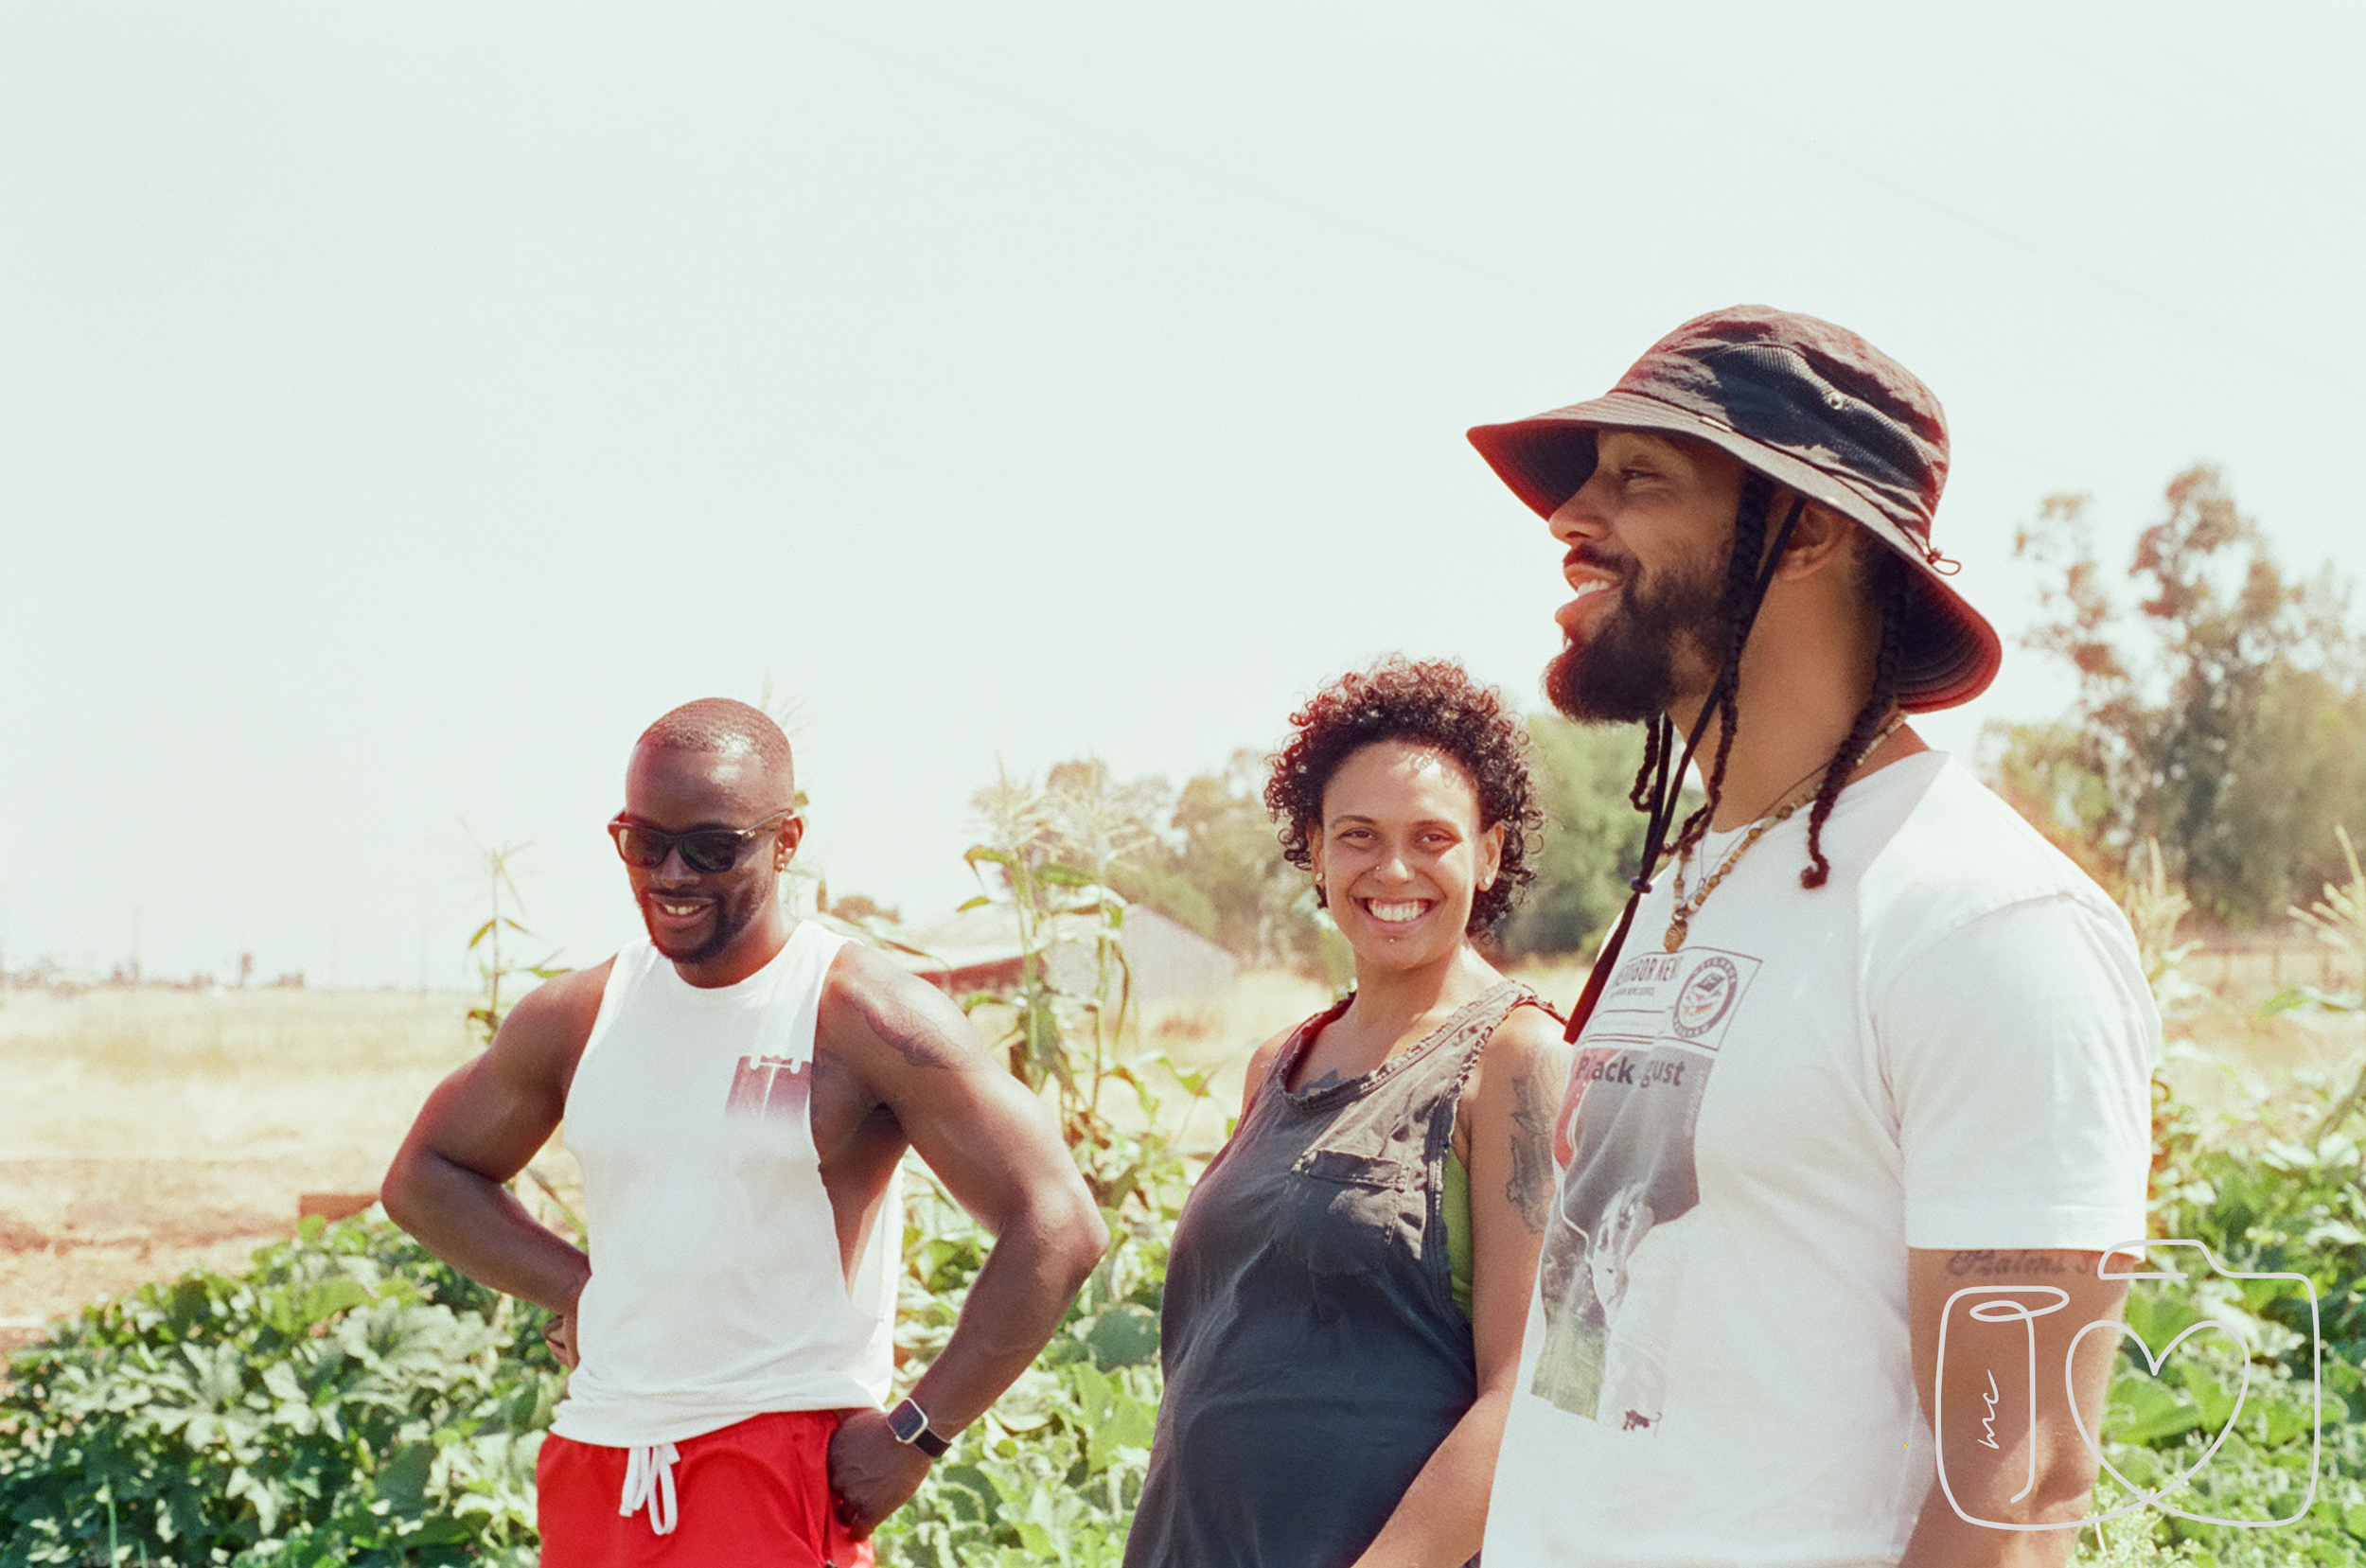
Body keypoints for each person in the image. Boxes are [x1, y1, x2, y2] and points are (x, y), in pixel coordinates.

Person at [1465, 308, 2159, 1566]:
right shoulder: (1693, 878)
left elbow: (2018, 1484)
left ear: (1814, 531)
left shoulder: (1988, 923)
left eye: (1640, 479)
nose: (1571, 522)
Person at [382, 698, 1108, 1566]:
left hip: (774, 1461)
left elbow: (1060, 1222)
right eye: (643, 842)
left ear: (787, 840)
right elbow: (425, 1174)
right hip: (600, 1458)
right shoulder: (580, 1015)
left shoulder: (858, 1013)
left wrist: (916, 1434)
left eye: (713, 847)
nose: (674, 873)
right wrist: (582, 1287)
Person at [1124, 657, 1572, 1568]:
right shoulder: (1276, 1062)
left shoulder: (1517, 1060)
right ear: (1316, 851)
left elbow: (1531, 1393)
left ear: (1488, 852)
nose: (1393, 868)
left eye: (1433, 837)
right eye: (1359, 834)